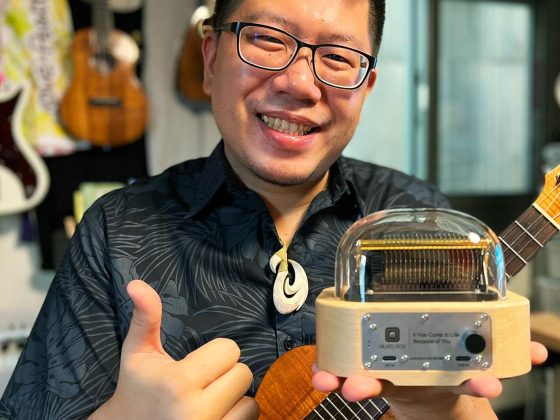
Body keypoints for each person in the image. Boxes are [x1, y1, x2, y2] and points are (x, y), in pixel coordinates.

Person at [0, 0, 547, 418]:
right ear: (210, 59)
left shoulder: (418, 217)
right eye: (264, 39)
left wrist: (440, 410)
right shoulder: (116, 230)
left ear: (366, 87)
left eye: (337, 57)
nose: (298, 83)